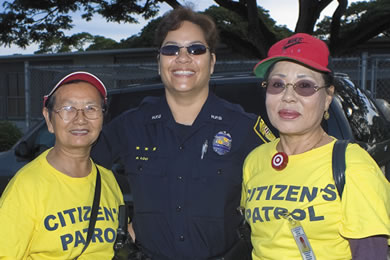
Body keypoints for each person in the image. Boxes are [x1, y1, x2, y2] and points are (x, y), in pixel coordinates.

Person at [91, 7, 275, 260]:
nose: (183, 57)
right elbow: (78, 171)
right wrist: (115, 226)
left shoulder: (244, 127)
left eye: (196, 49)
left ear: (211, 62)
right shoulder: (131, 125)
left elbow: (286, 179)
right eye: (171, 49)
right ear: (159, 62)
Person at [241, 33, 390, 259]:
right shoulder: (255, 160)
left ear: (328, 97)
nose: (287, 97)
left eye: (304, 85)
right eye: (277, 84)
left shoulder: (353, 167)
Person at [0, 71, 124, 259]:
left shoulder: (107, 180)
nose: (80, 118)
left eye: (91, 108)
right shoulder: (26, 187)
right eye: (67, 108)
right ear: (49, 119)